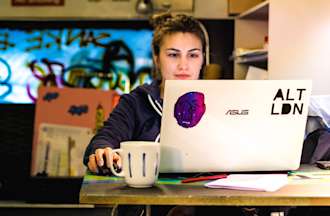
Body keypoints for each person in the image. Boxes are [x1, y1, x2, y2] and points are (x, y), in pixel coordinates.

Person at [83, 13, 292, 216]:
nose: (184, 65)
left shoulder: (224, 101)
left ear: (203, 58)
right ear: (157, 58)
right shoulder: (136, 102)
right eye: (173, 54)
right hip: (149, 208)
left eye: (193, 55)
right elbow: (105, 138)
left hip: (213, 207)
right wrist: (103, 151)